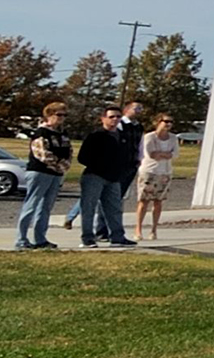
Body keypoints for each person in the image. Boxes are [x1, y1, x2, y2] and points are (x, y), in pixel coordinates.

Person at [76, 109, 138, 248]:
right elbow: (82, 157)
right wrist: (100, 165)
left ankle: (117, 237)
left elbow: (126, 156)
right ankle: (88, 238)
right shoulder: (96, 136)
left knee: (115, 208)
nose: (115, 119)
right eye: (111, 117)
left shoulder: (122, 136)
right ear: (103, 118)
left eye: (118, 116)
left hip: (114, 178)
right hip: (94, 176)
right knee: (89, 207)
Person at [13, 100, 70, 250]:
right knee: (31, 205)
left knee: (46, 207)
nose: (62, 118)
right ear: (49, 115)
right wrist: (57, 165)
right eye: (59, 115)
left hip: (56, 174)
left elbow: (69, 152)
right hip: (39, 172)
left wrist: (63, 167)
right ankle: (21, 240)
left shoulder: (63, 134)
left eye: (65, 115)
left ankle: (40, 239)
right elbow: (42, 154)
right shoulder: (41, 132)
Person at [134, 114, 182, 238]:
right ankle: (138, 229)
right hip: (149, 171)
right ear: (158, 122)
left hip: (165, 172)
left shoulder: (173, 138)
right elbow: (151, 154)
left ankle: (154, 230)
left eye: (171, 122)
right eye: (165, 121)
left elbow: (175, 154)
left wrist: (163, 154)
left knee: (158, 201)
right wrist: (165, 154)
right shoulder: (149, 137)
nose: (168, 124)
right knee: (144, 201)